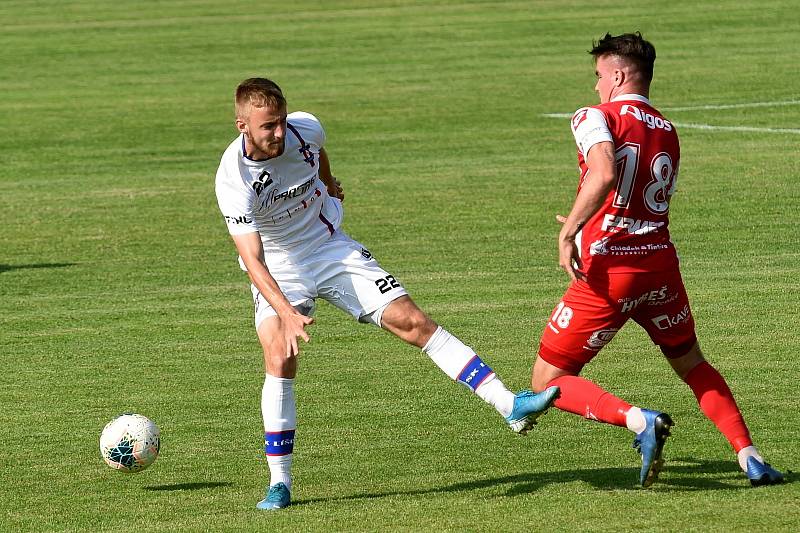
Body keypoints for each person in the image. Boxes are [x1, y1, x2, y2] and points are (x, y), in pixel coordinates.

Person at [215, 77, 560, 510]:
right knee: (279, 356)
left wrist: (328, 182)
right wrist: (285, 311)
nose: (279, 133)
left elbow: (316, 153)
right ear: (242, 125)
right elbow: (253, 260)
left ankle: (508, 403)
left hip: (328, 248)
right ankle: (279, 483)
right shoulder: (232, 178)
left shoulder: (306, 127)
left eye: (281, 121)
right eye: (268, 127)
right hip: (278, 268)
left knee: (413, 322)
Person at [530, 32, 784, 488]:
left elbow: (606, 171)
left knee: (548, 379)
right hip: (660, 268)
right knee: (692, 363)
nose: (595, 87)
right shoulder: (665, 127)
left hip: (611, 273)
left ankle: (636, 420)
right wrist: (588, 215)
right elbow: (634, 198)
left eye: (599, 76)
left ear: (619, 74)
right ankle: (750, 457)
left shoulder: (594, 115)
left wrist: (570, 230)